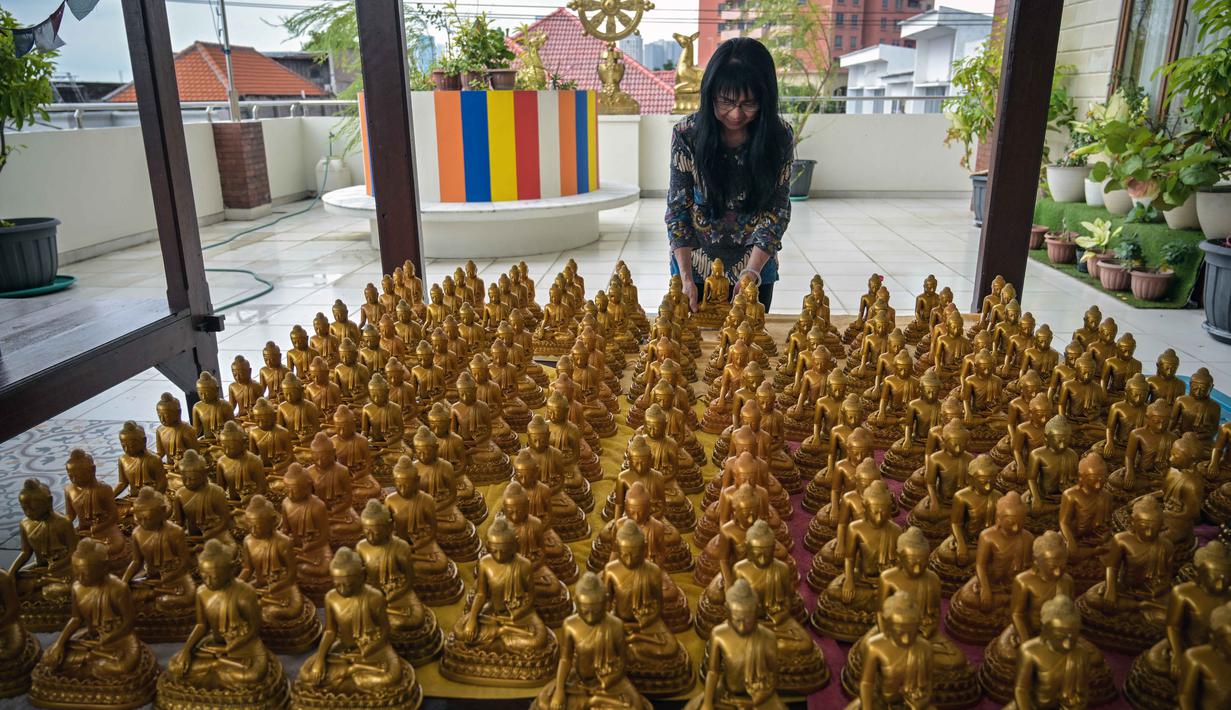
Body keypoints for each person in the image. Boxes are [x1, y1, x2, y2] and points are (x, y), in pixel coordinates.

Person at [666, 37, 794, 312]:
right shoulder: (688, 134)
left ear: (766, 99)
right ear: (710, 93)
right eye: (726, 101)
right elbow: (678, 210)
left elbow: (777, 211)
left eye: (749, 104)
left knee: (749, 347)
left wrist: (752, 273)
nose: (736, 114)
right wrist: (685, 277)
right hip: (695, 264)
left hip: (756, 266)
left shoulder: (779, 137)